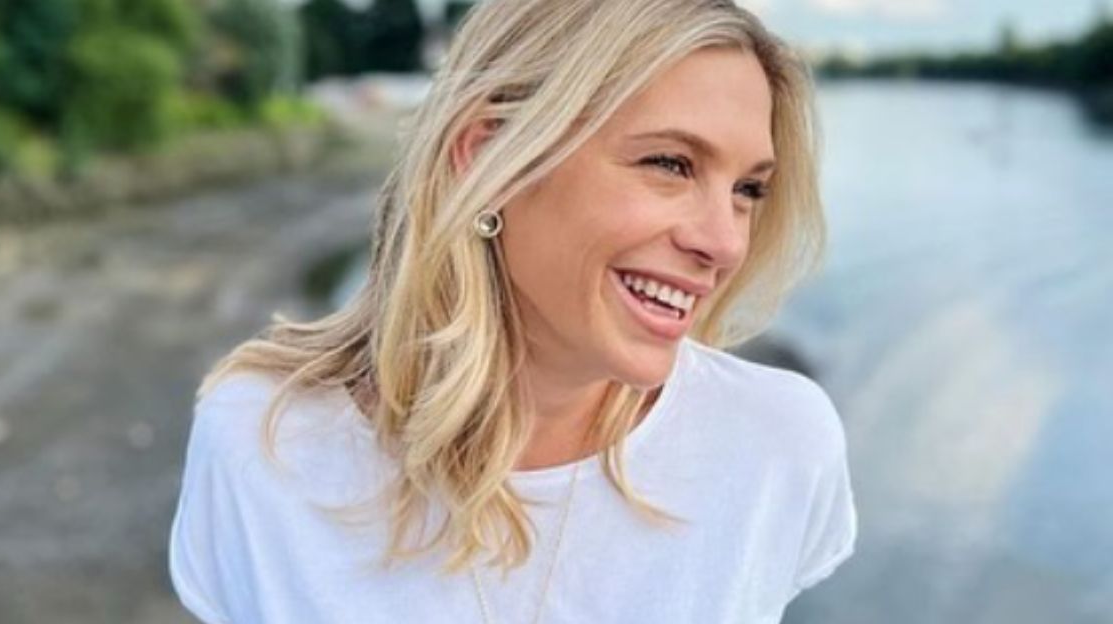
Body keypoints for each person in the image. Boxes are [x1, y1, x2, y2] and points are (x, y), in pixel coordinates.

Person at [167, 0, 857, 622]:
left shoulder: (776, 446)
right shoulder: (266, 443)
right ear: (488, 158)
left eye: (748, 190)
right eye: (671, 164)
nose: (724, 243)